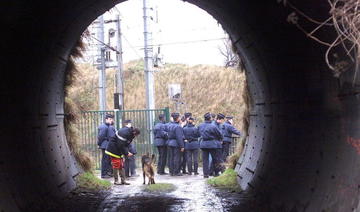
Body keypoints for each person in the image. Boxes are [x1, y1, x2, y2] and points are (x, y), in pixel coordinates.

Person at [198, 112, 223, 178]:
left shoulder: (200, 125)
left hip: (203, 144)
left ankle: (205, 174)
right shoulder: (213, 126)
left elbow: (197, 134)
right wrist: (220, 139)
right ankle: (216, 173)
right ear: (210, 118)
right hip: (212, 144)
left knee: (205, 160)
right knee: (215, 159)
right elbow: (219, 134)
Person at [97, 114, 114, 178]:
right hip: (105, 145)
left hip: (107, 145)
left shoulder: (108, 126)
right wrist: (99, 144)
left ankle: (107, 173)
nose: (111, 120)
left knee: (108, 159)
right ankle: (104, 174)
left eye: (111, 119)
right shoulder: (104, 127)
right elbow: (100, 137)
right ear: (106, 119)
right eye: (110, 119)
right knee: (105, 160)